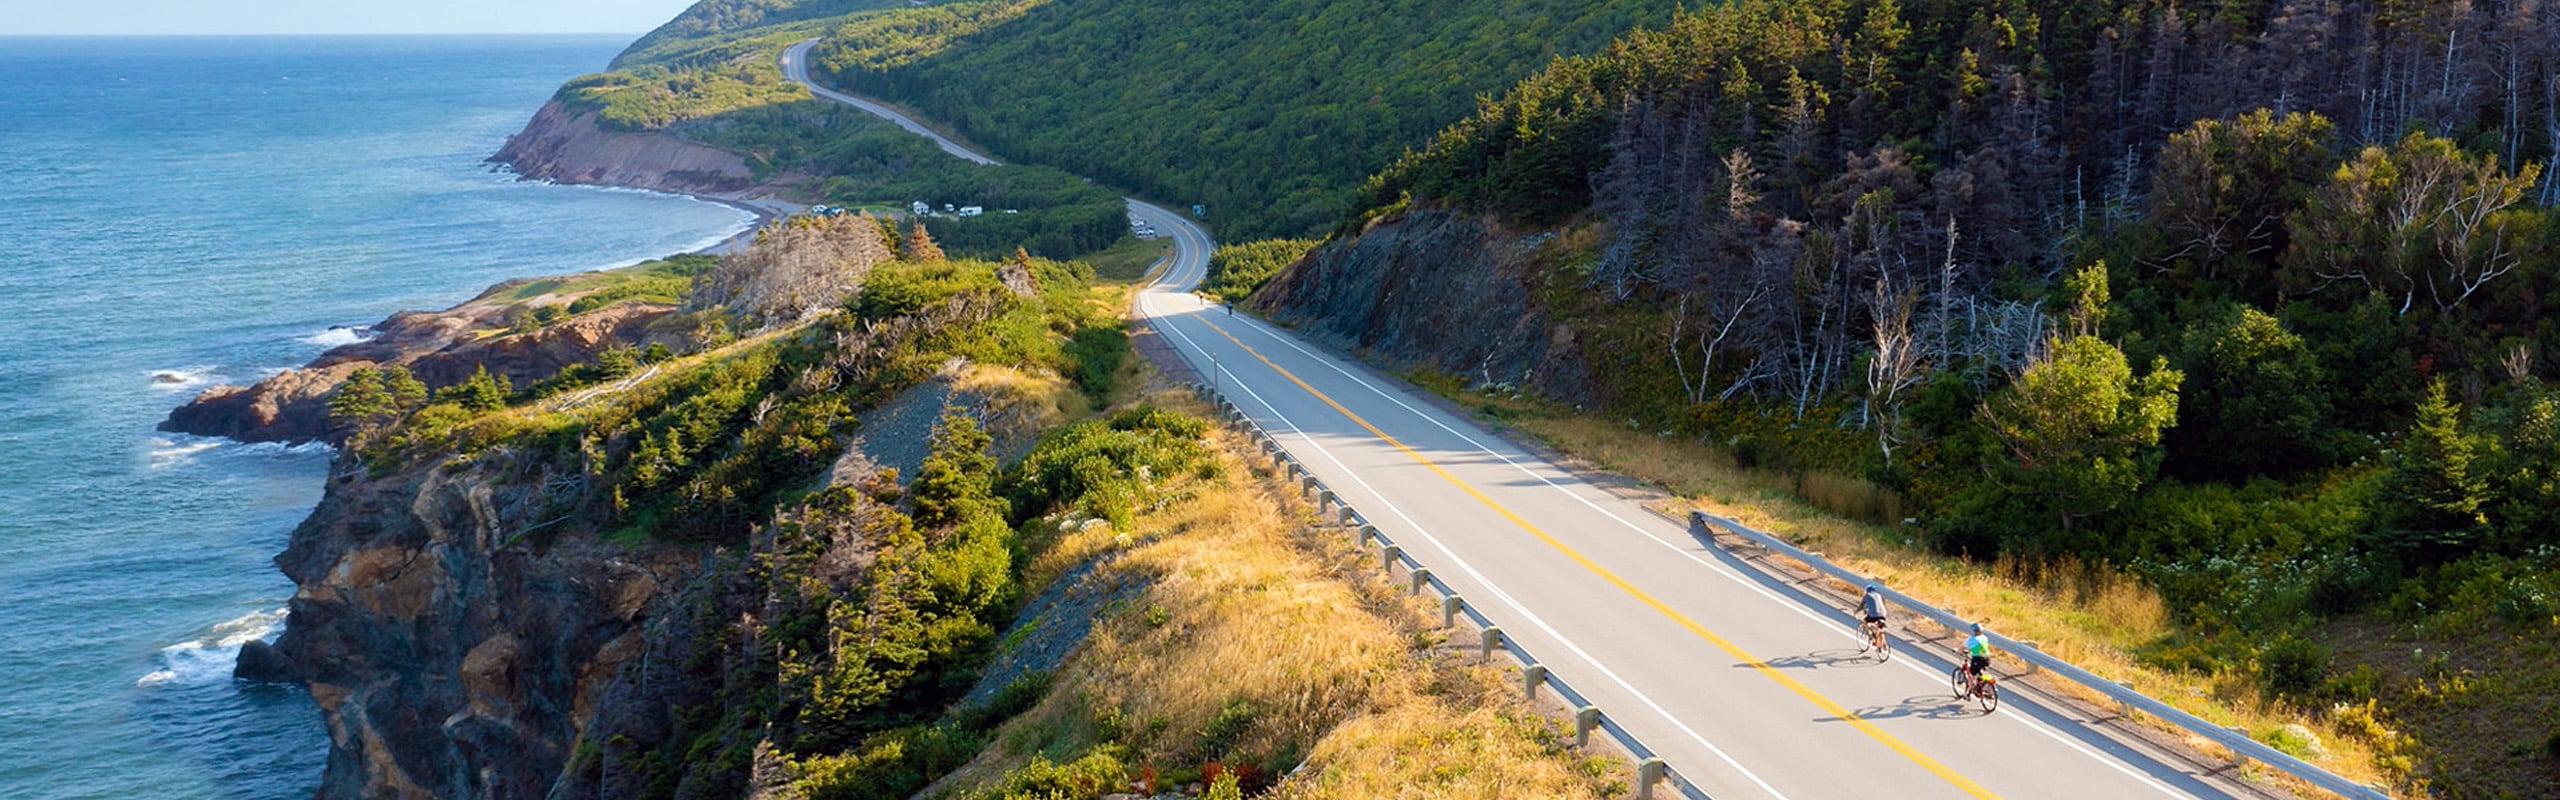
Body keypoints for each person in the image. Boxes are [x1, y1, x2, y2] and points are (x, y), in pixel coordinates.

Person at [1962, 623, 1993, 691]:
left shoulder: (1971, 639)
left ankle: (1970, 689)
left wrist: (1957, 650)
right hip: (1987, 658)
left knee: (1972, 674)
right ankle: (1982, 686)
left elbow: (1963, 647)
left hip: (1977, 659)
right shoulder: (1984, 638)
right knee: (1980, 671)